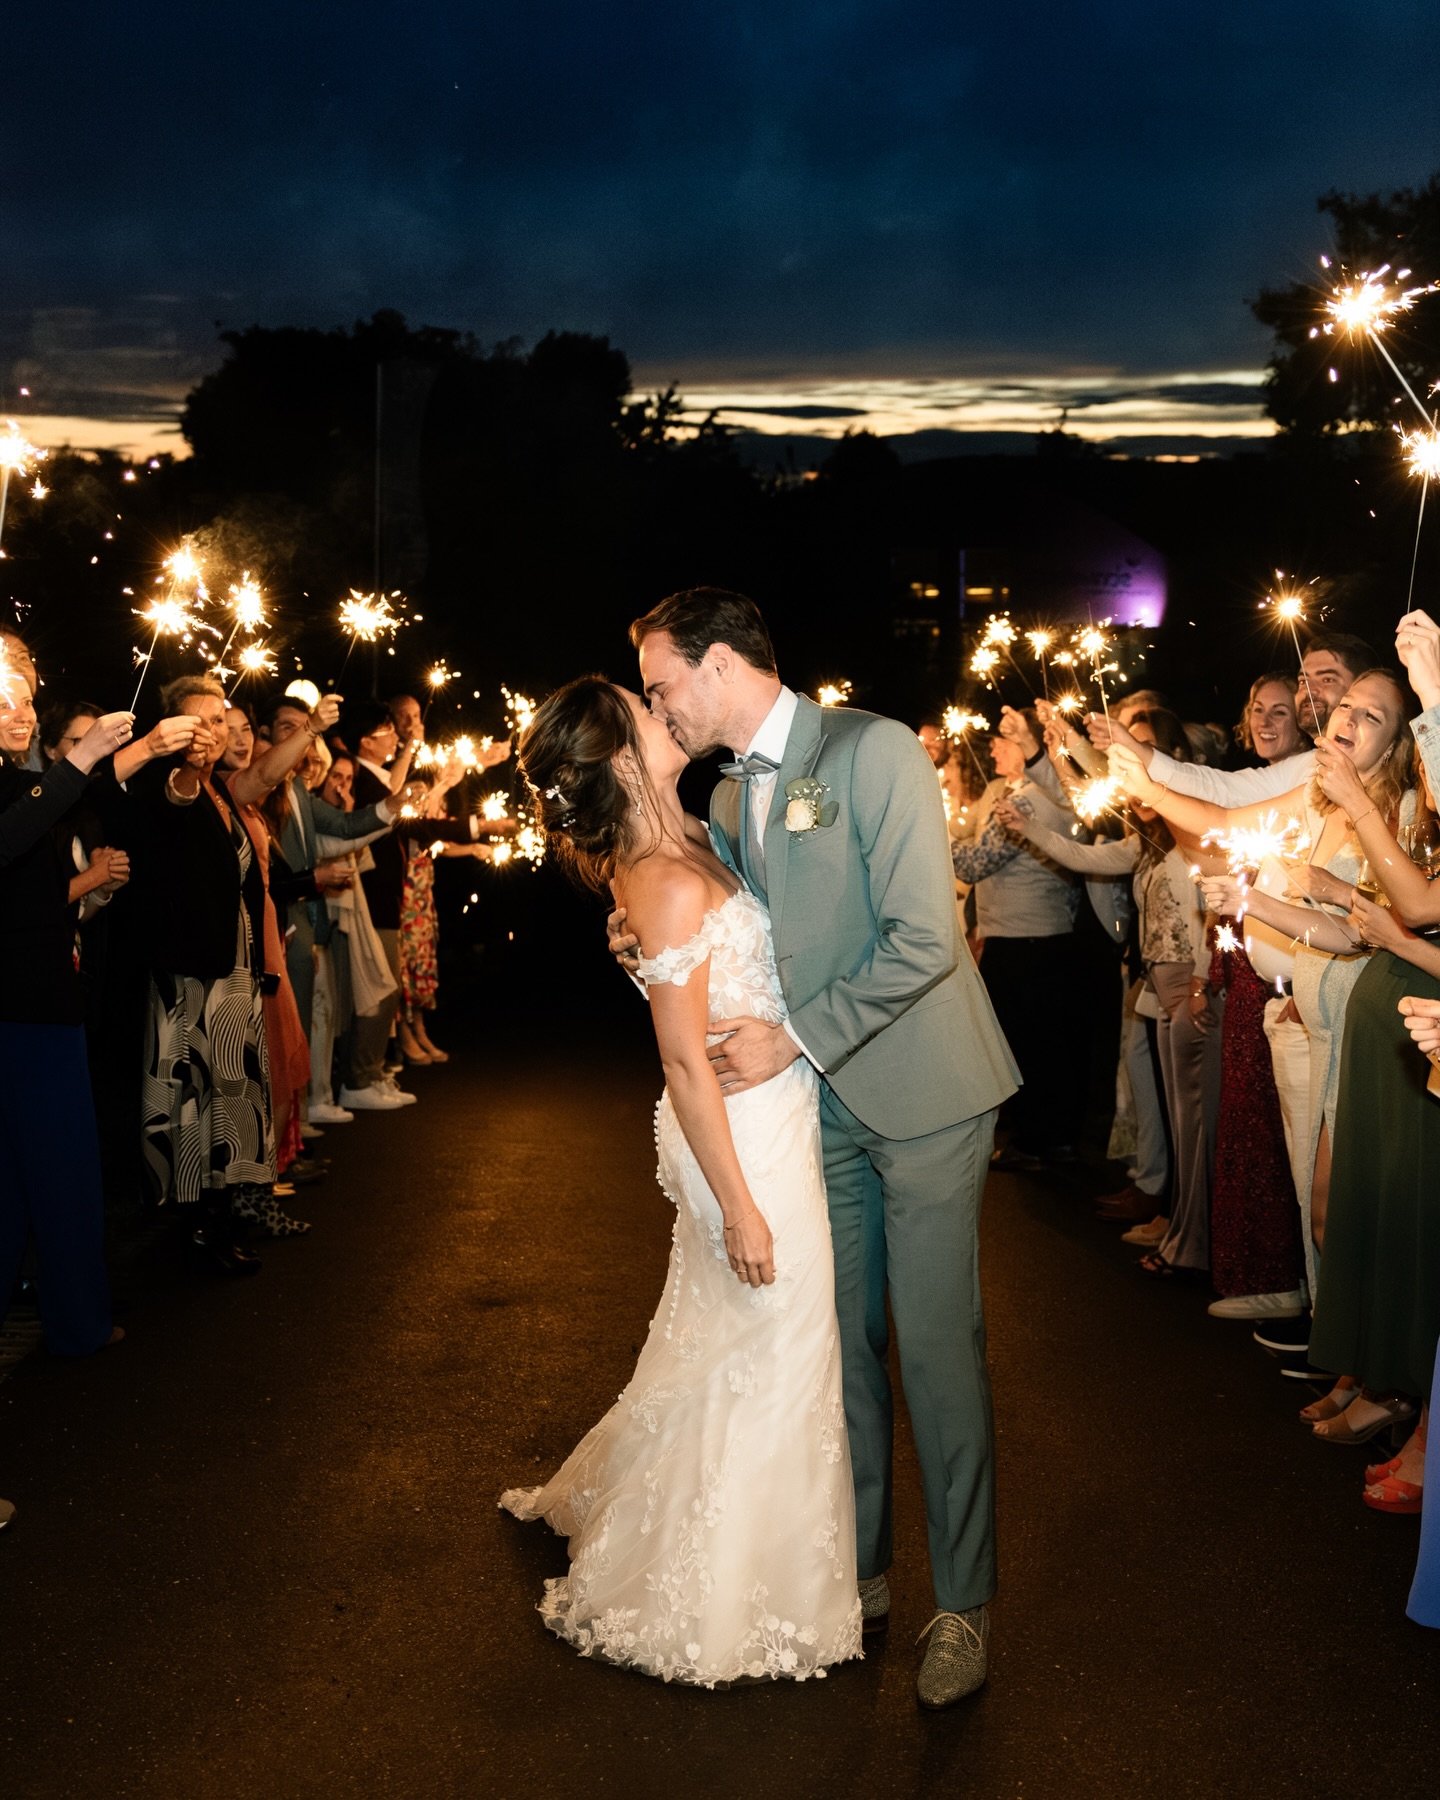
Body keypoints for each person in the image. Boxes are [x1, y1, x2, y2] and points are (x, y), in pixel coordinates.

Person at [611, 587, 1018, 1707]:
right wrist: (644, 933)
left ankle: (963, 1606)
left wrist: (793, 1038)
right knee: (841, 1347)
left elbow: (926, 939)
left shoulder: (873, 749)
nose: (659, 706)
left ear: (724, 663)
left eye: (660, 685)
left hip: (929, 1094)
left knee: (935, 1349)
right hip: (821, 1113)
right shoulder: (733, 799)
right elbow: (732, 929)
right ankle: (863, 1568)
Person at [501, 675, 862, 1688]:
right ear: (620, 754)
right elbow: (682, 1060)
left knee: (748, 1342)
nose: (665, 714)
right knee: (782, 1336)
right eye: (643, 708)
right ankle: (734, 1596)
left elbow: (715, 973)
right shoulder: (656, 876)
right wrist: (741, 1206)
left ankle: (774, 1563)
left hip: (772, 1109)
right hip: (735, 1135)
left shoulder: (698, 830)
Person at [0, 647, 135, 1356]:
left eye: (25, 701)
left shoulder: (23, 788)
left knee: (23, 1180)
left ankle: (75, 1321)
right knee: (59, 1172)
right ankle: (79, 1326)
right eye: (2, 704)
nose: (19, 716)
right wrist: (78, 759)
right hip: (25, 1012)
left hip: (39, 999)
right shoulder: (22, 796)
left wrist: (129, 751)